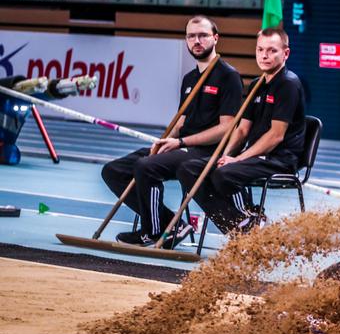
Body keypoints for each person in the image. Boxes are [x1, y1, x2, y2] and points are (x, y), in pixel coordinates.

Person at [101, 15, 243, 247]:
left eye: (203, 35)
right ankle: (173, 225)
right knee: (113, 171)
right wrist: (165, 141)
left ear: (215, 38)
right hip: (183, 146)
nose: (197, 41)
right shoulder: (189, 78)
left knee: (146, 167)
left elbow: (227, 128)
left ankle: (153, 231)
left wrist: (181, 142)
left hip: (206, 152)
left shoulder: (229, 76)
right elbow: (180, 121)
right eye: (191, 36)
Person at [177, 27, 306, 233]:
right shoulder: (257, 84)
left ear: (286, 53)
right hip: (254, 158)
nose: (264, 55)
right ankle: (241, 224)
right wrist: (225, 155)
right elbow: (242, 130)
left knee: (223, 174)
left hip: (279, 159)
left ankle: (248, 217)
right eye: (260, 49)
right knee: (188, 169)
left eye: (272, 50)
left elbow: (275, 136)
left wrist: (238, 159)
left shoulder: (288, 84)